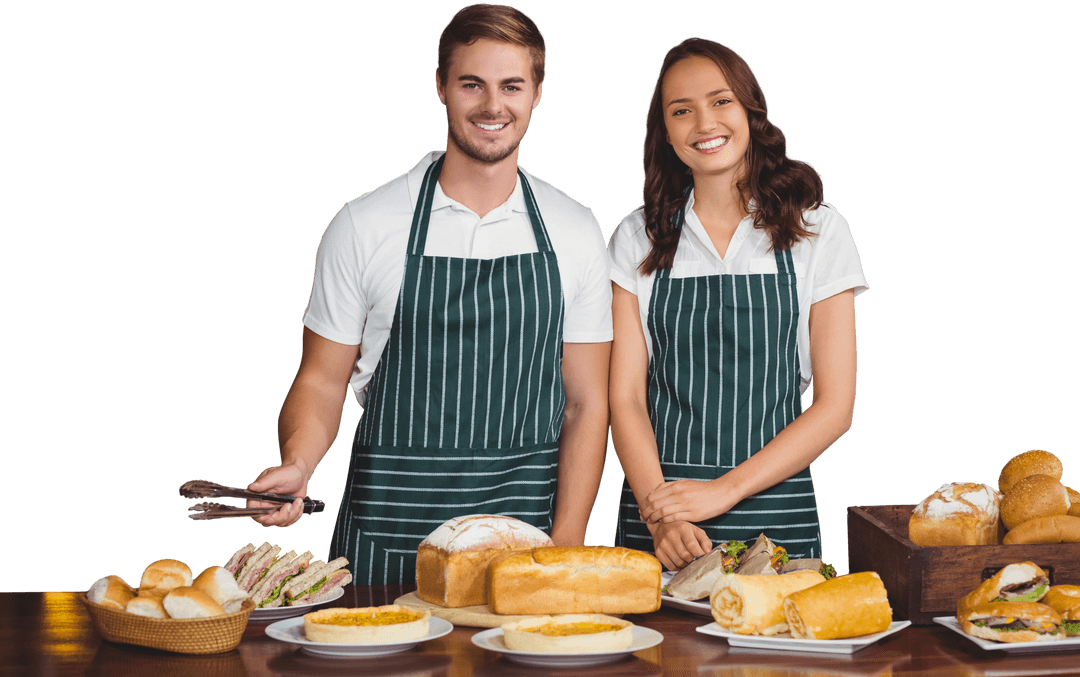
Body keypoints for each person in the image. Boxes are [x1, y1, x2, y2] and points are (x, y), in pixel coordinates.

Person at [245, 3, 612, 585]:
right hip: (389, 547)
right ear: (440, 86)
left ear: (537, 93)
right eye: (473, 84)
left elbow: (586, 404)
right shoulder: (364, 224)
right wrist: (298, 462)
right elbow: (320, 379)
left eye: (511, 85)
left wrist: (565, 544)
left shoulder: (574, 228)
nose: (493, 106)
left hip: (523, 550)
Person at [608, 37, 867, 571]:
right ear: (666, 131)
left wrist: (723, 492)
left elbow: (836, 406)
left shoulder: (818, 229)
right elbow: (626, 397)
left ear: (750, 110)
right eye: (682, 110)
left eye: (720, 101)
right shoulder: (637, 237)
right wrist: (665, 516)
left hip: (777, 512)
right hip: (663, 512)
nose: (704, 122)